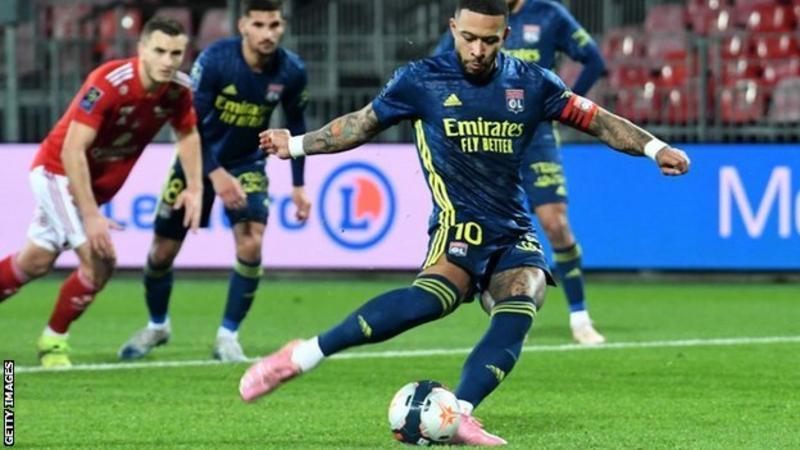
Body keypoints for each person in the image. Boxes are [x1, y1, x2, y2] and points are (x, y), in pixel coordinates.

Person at [240, 0, 689, 445]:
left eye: (489, 41)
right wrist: (295, 145)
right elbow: (360, 125)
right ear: (453, 28)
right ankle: (302, 355)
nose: (477, 50)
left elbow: (599, 121)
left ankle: (459, 415)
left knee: (522, 303)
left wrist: (655, 149)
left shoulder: (532, 83)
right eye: (469, 38)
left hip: (512, 229)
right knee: (429, 302)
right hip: (457, 226)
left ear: (505, 36)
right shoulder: (421, 80)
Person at [0, 17, 202, 367]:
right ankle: (54, 343)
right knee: (99, 262)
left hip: (88, 188)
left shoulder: (178, 91)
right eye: (159, 51)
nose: (168, 61)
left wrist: (195, 187)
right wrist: (92, 216)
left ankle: (53, 338)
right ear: (141, 49)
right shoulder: (109, 83)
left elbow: (188, 134)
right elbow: (72, 151)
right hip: (57, 175)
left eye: (175, 53)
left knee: (35, 262)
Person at [118, 0, 311, 362]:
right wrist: (215, 175)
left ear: (282, 26)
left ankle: (227, 337)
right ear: (243, 26)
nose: (267, 34)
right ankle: (157, 326)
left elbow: (296, 125)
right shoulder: (216, 61)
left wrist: (299, 185)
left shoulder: (292, 70)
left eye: (274, 25)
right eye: (259, 25)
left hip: (247, 163)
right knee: (161, 252)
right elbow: (188, 128)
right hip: (196, 160)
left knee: (251, 243)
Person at [435, 0, 608, 344]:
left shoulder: (548, 14)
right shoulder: (479, 17)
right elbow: (440, 63)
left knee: (555, 223)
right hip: (487, 133)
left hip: (536, 135)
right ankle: (506, 311)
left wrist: (565, 104)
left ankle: (580, 317)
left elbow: (594, 60)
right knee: (492, 226)